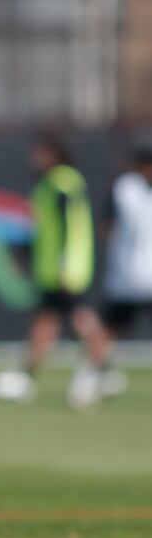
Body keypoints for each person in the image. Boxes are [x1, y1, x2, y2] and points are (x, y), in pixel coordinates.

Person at [0, 135, 105, 408]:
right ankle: (27, 378)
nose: (34, 159)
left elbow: (68, 227)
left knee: (80, 318)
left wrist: (65, 263)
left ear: (53, 153)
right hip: (52, 270)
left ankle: (102, 369)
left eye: (39, 153)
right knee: (46, 321)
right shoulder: (50, 184)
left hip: (65, 270)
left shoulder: (63, 183)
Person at [89, 141, 152, 391]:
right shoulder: (125, 189)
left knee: (109, 330)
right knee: (109, 330)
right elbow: (107, 229)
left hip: (140, 275)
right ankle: (90, 378)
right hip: (129, 277)